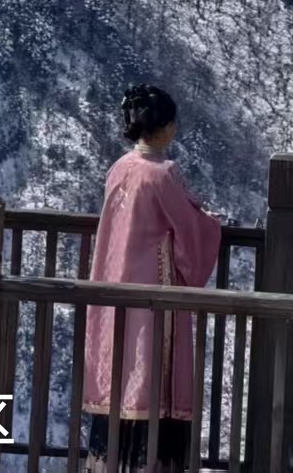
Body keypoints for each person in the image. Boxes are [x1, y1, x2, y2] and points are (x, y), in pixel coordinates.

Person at [82, 85, 224, 473]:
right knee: (150, 378)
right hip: (154, 296)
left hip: (115, 290)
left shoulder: (120, 168)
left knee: (120, 374)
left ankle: (107, 463)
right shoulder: (163, 174)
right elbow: (191, 232)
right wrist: (213, 224)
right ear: (164, 127)